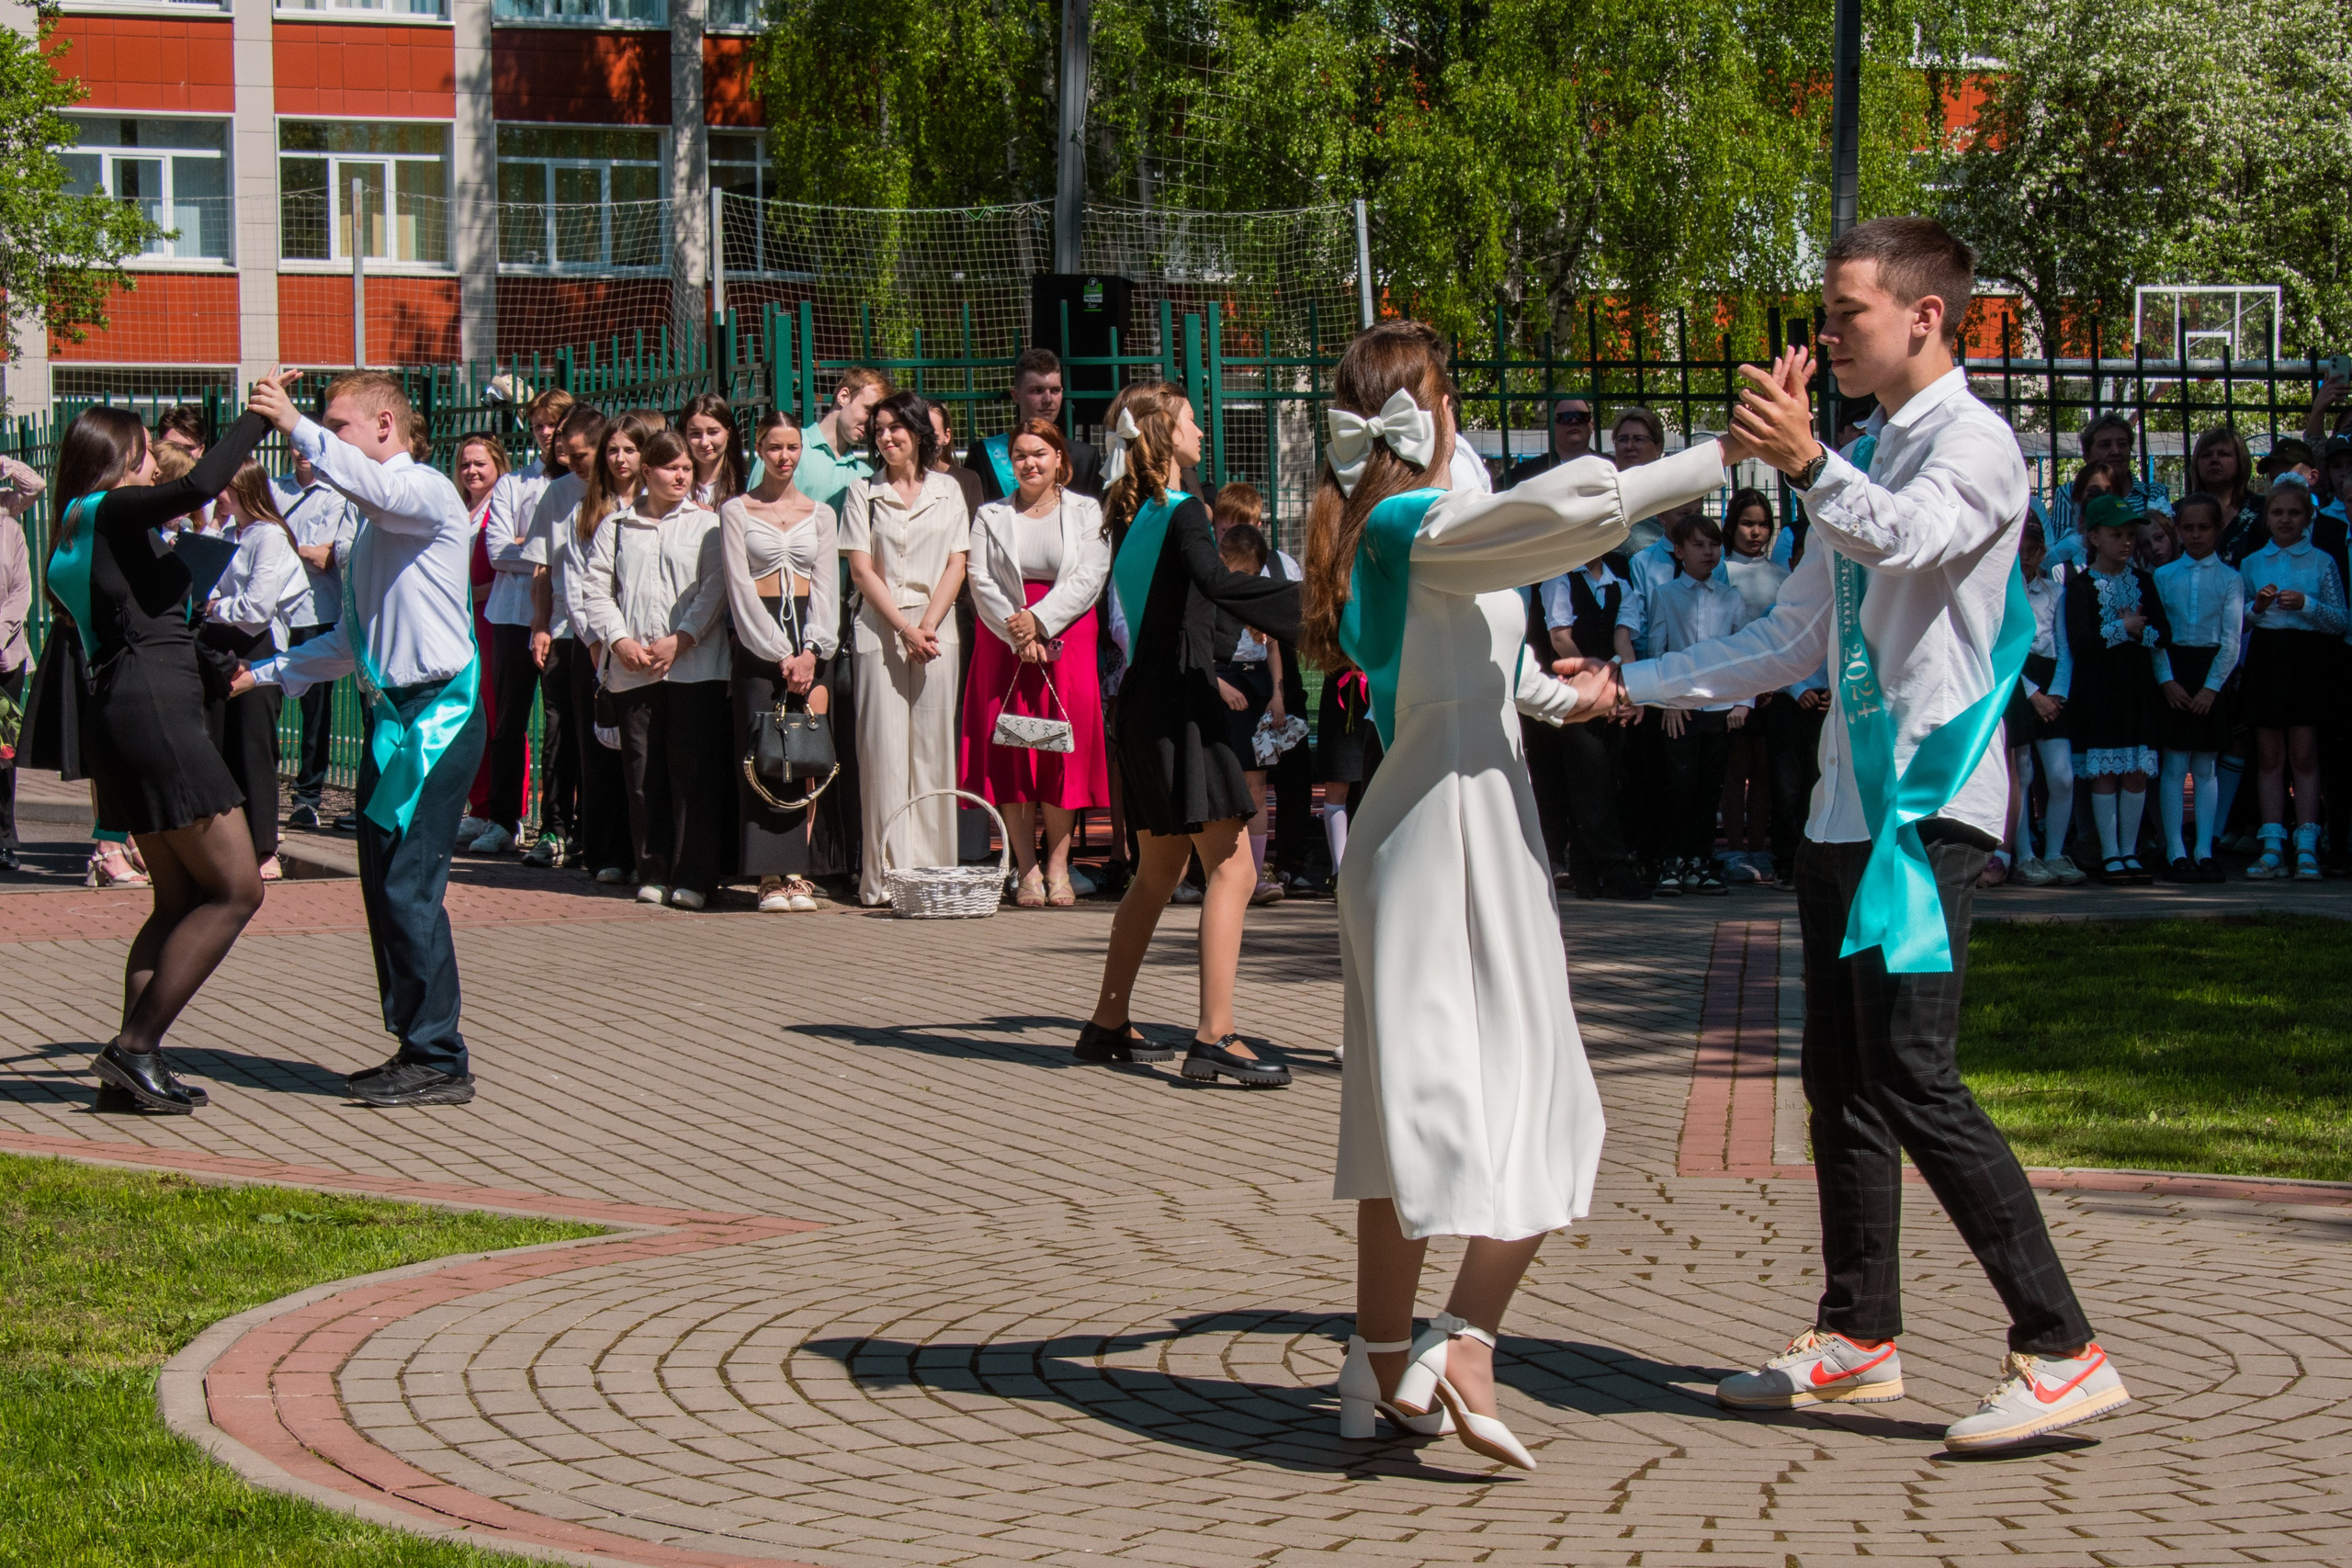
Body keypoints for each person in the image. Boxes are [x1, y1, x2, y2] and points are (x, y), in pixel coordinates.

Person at [1611, 216, 2129, 1452]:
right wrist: (1633, 682)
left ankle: (2062, 1349)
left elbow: (1909, 536)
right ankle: (1857, 1337)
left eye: (1846, 312)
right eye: (1828, 313)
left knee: (1911, 1070)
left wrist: (1803, 464)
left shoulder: (1973, 444)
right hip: (1845, 807)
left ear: (1923, 316)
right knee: (1840, 1078)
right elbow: (1794, 636)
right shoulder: (1872, 450)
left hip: (1925, 803)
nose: (1827, 333)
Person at [1302, 321, 1724, 1469]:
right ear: (1430, 411)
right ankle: (1465, 1338)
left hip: (1453, 819)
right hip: (1446, 835)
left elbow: (1490, 662)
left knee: (1408, 1117)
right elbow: (1553, 521)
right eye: (1451, 401)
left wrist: (1568, 699)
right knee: (1529, 1102)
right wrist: (1713, 456)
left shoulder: (1404, 526)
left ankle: (1377, 1359)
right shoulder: (1412, 521)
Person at [242, 370, 489, 1110]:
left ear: (385, 426)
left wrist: (291, 421)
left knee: (409, 885)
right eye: (322, 427)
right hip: (393, 718)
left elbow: (376, 488)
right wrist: (263, 673)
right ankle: (416, 1044)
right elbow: (352, 643)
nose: (323, 440)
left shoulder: (424, 492)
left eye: (337, 426)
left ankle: (439, 1056)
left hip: (438, 715)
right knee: (385, 886)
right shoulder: (374, 527)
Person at [42, 396, 274, 1113]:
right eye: (144, 451)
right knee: (238, 889)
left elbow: (144, 624)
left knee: (176, 901)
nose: (153, 464)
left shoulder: (80, 525)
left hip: (130, 709)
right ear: (117, 458)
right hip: (155, 717)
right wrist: (261, 415)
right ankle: (134, 1048)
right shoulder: (110, 510)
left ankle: (132, 1071)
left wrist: (212, 663)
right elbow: (201, 484)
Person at [1077, 380, 1300, 1087]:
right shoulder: (1183, 512)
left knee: (1158, 871)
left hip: (1142, 704)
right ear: (1166, 435)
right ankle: (1215, 1035)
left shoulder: (1133, 515)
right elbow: (1219, 583)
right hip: (1180, 701)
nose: (1202, 432)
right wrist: (1317, 607)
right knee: (1235, 868)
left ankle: (1107, 1021)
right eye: (1194, 422)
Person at [571, 430, 730, 909]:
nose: (681, 476)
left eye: (687, 468)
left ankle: (694, 876)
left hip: (695, 668)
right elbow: (596, 589)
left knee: (693, 772)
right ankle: (654, 871)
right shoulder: (617, 526)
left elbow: (715, 588)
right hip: (634, 670)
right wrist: (619, 640)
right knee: (643, 772)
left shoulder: (707, 524)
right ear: (647, 471)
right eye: (671, 468)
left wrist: (682, 639)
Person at [960, 418, 1111, 907]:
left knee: (1060, 751)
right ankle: (1025, 868)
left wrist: (1040, 622)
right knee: (1014, 749)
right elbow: (979, 578)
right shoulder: (990, 514)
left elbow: (1090, 575)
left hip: (1067, 637)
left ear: (1059, 459)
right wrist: (1017, 630)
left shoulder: (1087, 510)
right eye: (1020, 455)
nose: (1029, 463)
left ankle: (1059, 867)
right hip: (1003, 640)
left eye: (1039, 453)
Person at [841, 390, 971, 905]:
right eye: (878, 430)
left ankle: (934, 875)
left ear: (919, 431)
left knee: (934, 752)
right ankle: (886, 879)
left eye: (895, 427)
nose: (886, 437)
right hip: (880, 629)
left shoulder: (949, 490)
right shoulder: (862, 492)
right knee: (883, 753)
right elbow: (860, 569)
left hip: (937, 631)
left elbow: (957, 562)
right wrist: (903, 628)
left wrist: (928, 625)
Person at [722, 413, 840, 914]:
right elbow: (739, 589)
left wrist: (812, 649)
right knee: (763, 752)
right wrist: (779, 653)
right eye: (774, 447)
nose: (784, 456)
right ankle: (768, 873)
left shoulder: (821, 514)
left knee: (806, 753)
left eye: (793, 447)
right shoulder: (736, 511)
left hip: (809, 635)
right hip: (760, 637)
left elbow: (828, 586)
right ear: (759, 449)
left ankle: (799, 871)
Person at [1623, 511, 1751, 896]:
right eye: (1698, 545)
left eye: (1714, 545)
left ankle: (1700, 859)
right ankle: (1672, 861)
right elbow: (1657, 650)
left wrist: (1743, 702)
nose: (1708, 552)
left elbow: (1743, 654)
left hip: (1719, 706)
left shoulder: (1731, 597)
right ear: (1679, 551)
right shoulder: (1665, 595)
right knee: (1678, 785)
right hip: (1679, 708)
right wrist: (1668, 699)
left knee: (1709, 789)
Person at [560, 411, 661, 885]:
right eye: (613, 450)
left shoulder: (658, 503)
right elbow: (577, 584)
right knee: (600, 750)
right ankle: (606, 852)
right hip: (599, 649)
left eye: (630, 449)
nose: (621, 459)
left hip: (647, 648)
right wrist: (599, 643)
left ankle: (645, 853)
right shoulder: (585, 512)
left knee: (641, 753)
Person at [2050, 496, 2171, 884]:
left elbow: (2163, 635)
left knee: (2136, 770)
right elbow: (2080, 642)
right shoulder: (2081, 587)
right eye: (2116, 534)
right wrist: (2124, 628)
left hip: (2136, 690)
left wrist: (2137, 631)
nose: (2127, 542)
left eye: (2130, 535)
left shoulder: (2144, 582)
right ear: (2094, 537)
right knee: (2104, 771)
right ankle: (2110, 852)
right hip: (2099, 692)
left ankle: (2130, 850)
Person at [474, 391, 572, 857]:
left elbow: (575, 553)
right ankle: (502, 819)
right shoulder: (513, 483)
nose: (547, 434)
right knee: (508, 721)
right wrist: (541, 550)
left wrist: (529, 543)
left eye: (555, 424)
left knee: (560, 724)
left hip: (564, 619)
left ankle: (558, 826)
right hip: (513, 615)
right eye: (538, 426)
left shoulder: (581, 484)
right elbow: (497, 552)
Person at [203, 461, 308, 882]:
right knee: (217, 746)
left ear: (245, 489)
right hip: (217, 644)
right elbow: (200, 583)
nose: (218, 496)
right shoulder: (229, 533)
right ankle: (224, 847)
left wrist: (215, 608)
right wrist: (214, 525)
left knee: (253, 747)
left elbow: (256, 608)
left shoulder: (270, 536)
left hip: (256, 646)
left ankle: (264, 847)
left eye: (225, 488)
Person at [2237, 479, 2345, 880]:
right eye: (2278, 512)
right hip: (2266, 659)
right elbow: (2238, 622)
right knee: (2269, 757)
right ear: (2267, 518)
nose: (2285, 519)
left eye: (2294, 512)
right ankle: (2271, 847)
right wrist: (2257, 607)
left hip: (2306, 662)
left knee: (2304, 754)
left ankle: (2307, 847)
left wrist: (2307, 603)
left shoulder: (2321, 561)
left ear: (2308, 517)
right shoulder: (2252, 563)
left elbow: (2340, 620)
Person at [1536, 551, 1645, 899]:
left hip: (1609, 692)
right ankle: (1613, 870)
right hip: (1575, 694)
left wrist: (1630, 690)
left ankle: (1587, 873)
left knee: (1608, 778)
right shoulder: (1560, 576)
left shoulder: (1619, 583)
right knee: (1589, 779)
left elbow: (1622, 642)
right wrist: (1594, 678)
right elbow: (1560, 639)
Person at [522, 403, 601, 871]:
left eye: (580, 455)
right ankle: (554, 827)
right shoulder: (558, 493)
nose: (571, 463)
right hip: (563, 631)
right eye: (565, 455)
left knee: (597, 734)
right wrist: (540, 623)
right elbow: (542, 565)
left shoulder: (623, 491)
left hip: (606, 634)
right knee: (558, 731)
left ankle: (591, 830)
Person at [2151, 494, 2242, 882]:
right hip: (2174, 669)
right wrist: (2166, 680)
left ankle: (2204, 848)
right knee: (2174, 763)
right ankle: (2175, 849)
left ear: (2218, 529)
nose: (2196, 534)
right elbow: (2156, 635)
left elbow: (2231, 641)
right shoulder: (2164, 576)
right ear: (2177, 530)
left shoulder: (2231, 579)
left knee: (2205, 765)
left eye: (2204, 527)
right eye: (2188, 527)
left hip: (2210, 672)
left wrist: (2212, 688)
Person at [275, 446, 359, 830]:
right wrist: (304, 549)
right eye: (296, 444)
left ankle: (307, 797)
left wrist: (279, 544)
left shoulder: (336, 494)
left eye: (308, 445)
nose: (301, 452)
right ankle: (261, 786)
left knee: (316, 712)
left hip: (317, 610)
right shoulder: (275, 488)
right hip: (275, 612)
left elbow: (327, 559)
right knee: (268, 702)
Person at [2003, 520, 2085, 887]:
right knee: (2022, 773)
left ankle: (2054, 853)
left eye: (2032, 549)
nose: (2025, 557)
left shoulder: (2055, 591)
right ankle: (2025, 856)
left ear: (2042, 551)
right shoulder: (2003, 593)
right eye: (2018, 550)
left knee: (2061, 776)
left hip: (2052, 683)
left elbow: (2064, 647)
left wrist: (2057, 693)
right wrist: (2032, 694)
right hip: (2018, 684)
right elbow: (2004, 648)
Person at [1212, 522, 1290, 904]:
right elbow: (1195, 649)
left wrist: (1277, 694)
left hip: (1256, 686)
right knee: (1222, 784)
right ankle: (1222, 874)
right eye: (1241, 572)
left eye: (1254, 573)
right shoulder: (1208, 594)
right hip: (1222, 683)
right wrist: (1219, 686)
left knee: (1256, 785)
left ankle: (1256, 876)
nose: (1248, 580)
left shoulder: (1260, 596)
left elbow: (1273, 647)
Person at [1719, 489, 1786, 884]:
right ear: (1732, 527)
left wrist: (1773, 680)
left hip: (1774, 685)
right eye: (1747, 523)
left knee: (1763, 770)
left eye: (1762, 524)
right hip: (1734, 683)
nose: (1756, 532)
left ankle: (1759, 849)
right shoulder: (1722, 572)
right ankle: (1733, 850)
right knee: (1734, 768)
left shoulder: (1782, 576)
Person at [454, 436, 510, 844]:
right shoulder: (457, 508)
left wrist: (473, 594)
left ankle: (505, 811)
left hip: (489, 618)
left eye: (480, 463)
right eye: (465, 464)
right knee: (467, 714)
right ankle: (478, 806)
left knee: (496, 715)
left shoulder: (501, 506)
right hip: (458, 622)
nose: (471, 471)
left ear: (498, 465)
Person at [976, 349, 1104, 501]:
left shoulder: (1086, 459)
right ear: (1015, 395)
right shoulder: (984, 455)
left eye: (1055, 390)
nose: (1048, 399)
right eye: (1038, 390)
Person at [2047, 412, 2171, 563]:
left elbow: (2167, 549)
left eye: (2122, 444)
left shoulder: (2153, 493)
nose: (2116, 451)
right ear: (2087, 455)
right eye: (2105, 445)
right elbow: (2062, 555)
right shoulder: (2068, 494)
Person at [0, 457, 44, 872]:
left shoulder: (8, 523)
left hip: (5, 657)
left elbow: (21, 593)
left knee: (2, 755)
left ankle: (2, 838)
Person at [797, 367, 890, 514]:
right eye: (868, 410)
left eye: (875, 419)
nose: (870, 424)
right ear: (843, 396)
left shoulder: (865, 474)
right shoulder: (789, 447)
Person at [2193, 425, 2267, 567]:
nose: (2214, 460)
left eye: (2224, 454)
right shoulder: (2178, 511)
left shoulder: (2263, 509)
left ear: (2240, 461)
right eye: (2206, 455)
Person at [1499, 393, 1595, 490]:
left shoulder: (1605, 465)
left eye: (1581, 416)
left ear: (1592, 425)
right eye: (1564, 418)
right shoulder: (1528, 473)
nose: (1574, 421)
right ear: (1551, 427)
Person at [679, 392, 745, 509]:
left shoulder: (748, 485)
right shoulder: (674, 484)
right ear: (685, 433)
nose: (704, 442)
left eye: (713, 432)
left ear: (729, 432)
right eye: (695, 433)